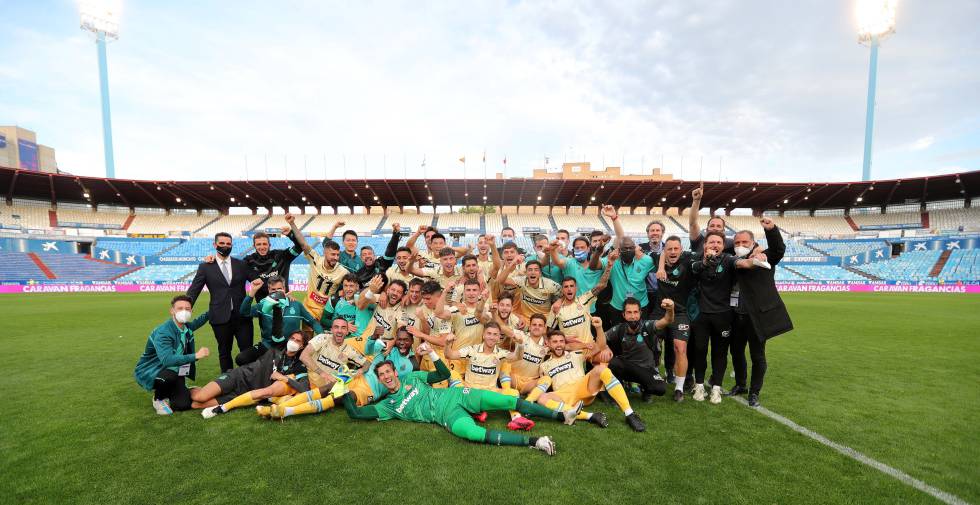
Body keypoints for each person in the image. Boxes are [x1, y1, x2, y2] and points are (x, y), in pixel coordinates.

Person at [342, 351, 578, 456]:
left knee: (507, 399)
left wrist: (433, 355)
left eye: (387, 371)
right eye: (381, 375)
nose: (386, 376)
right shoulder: (387, 405)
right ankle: (536, 442)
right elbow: (356, 414)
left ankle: (562, 416)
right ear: (381, 380)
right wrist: (346, 393)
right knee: (473, 434)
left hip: (458, 395)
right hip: (446, 415)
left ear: (394, 371)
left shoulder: (412, 377)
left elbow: (443, 375)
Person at [262, 326, 420, 419]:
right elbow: (369, 351)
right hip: (358, 377)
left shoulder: (412, 363)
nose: (402, 342)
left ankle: (287, 411)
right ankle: (275, 409)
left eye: (406, 339)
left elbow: (409, 382)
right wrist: (374, 339)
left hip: (369, 390)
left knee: (337, 397)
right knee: (325, 389)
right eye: (399, 339)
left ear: (413, 340)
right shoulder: (388, 348)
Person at [527, 322, 646, 432]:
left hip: (582, 387)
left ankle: (629, 414)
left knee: (601, 369)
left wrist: (598, 328)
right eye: (555, 342)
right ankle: (590, 416)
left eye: (561, 341)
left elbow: (599, 346)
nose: (559, 345)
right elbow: (539, 384)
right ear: (548, 344)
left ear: (565, 343)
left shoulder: (576, 354)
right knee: (542, 398)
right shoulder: (543, 365)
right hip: (563, 395)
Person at [690, 231, 764, 404]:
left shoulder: (728, 260)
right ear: (705, 245)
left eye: (718, 242)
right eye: (711, 242)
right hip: (701, 315)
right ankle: (699, 385)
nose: (715, 245)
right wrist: (706, 260)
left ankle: (716, 388)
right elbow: (695, 269)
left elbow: (743, 263)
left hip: (723, 315)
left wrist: (758, 259)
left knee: (720, 352)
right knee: (700, 350)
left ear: (723, 246)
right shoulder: (697, 260)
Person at [731, 218, 793, 407]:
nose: (740, 246)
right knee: (736, 352)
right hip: (735, 315)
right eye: (737, 243)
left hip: (757, 316)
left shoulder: (765, 256)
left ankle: (754, 392)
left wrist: (771, 230)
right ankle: (740, 385)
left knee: (757, 355)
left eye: (745, 243)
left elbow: (778, 249)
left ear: (754, 243)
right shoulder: (732, 259)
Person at [196, 330, 310, 418]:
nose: (293, 342)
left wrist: (284, 378)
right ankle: (189, 391)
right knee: (200, 397)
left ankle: (184, 396)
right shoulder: (276, 347)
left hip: (246, 392)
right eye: (292, 338)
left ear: (302, 346)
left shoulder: (299, 365)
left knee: (195, 405)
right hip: (239, 377)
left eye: (298, 341)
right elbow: (275, 328)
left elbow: (304, 389)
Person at [187, 232, 258, 372]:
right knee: (224, 352)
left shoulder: (241, 264)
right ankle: (227, 383)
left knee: (247, 351)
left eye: (228, 244)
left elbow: (258, 280)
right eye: (222, 243)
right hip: (219, 316)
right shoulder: (205, 266)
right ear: (215, 245)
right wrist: (184, 307)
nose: (225, 246)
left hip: (242, 316)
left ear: (231, 245)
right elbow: (194, 289)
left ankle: (250, 380)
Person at [445, 322, 533, 431]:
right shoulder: (472, 350)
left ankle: (517, 419)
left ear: (499, 337)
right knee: (452, 374)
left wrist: (520, 344)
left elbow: (517, 357)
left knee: (513, 392)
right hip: (470, 391)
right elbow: (450, 355)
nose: (491, 337)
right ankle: (471, 409)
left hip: (489, 393)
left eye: (495, 334)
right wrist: (448, 344)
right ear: (483, 335)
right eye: (489, 333)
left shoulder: (500, 353)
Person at [134, 295, 211, 414]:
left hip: (176, 371)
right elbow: (167, 360)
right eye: (180, 308)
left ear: (191, 311)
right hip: (154, 370)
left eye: (187, 308)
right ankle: (158, 398)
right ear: (172, 311)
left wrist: (216, 307)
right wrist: (195, 356)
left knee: (182, 405)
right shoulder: (163, 331)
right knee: (169, 376)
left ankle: (182, 390)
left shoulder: (186, 327)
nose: (184, 311)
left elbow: (199, 321)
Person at [236, 276, 323, 366]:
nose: (276, 292)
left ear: (284, 289)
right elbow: (244, 312)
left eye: (279, 289)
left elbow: (312, 322)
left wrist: (323, 337)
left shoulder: (296, 305)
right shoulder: (263, 304)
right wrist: (252, 292)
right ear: (268, 290)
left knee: (307, 364)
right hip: (267, 346)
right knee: (241, 358)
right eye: (273, 289)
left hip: (290, 348)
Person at [654, 236, 698, 401]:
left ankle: (679, 388)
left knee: (680, 348)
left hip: (680, 313)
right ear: (664, 251)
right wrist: (660, 265)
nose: (673, 252)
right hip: (659, 312)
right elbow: (640, 252)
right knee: (652, 345)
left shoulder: (687, 260)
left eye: (676, 249)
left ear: (681, 250)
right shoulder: (656, 258)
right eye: (669, 249)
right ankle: (653, 379)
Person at [604, 297, 673, 402]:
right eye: (629, 312)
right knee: (611, 363)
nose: (633, 316)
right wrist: (605, 347)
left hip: (647, 369)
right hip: (628, 368)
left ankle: (646, 390)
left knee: (660, 389)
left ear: (640, 313)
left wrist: (670, 309)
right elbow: (601, 338)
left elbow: (667, 320)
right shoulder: (620, 329)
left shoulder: (648, 326)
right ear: (624, 315)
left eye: (635, 312)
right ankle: (619, 390)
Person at [287, 216, 351, 322]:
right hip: (309, 310)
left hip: (327, 313)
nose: (335, 258)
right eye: (333, 254)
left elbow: (352, 285)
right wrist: (292, 224)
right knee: (307, 338)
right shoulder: (315, 259)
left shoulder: (343, 272)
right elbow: (303, 244)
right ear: (325, 253)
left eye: (337, 255)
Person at [548, 261, 612, 348]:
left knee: (606, 356)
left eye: (572, 286)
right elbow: (549, 332)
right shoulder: (556, 307)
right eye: (566, 287)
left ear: (576, 288)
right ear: (562, 290)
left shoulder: (584, 299)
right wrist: (563, 338)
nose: (569, 289)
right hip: (571, 350)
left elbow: (602, 285)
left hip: (589, 346)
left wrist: (609, 266)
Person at [242, 214, 304, 299]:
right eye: (258, 244)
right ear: (254, 246)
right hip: (263, 306)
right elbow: (233, 267)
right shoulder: (249, 261)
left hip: (283, 302)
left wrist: (290, 234)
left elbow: (300, 247)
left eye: (264, 244)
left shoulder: (281, 256)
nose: (262, 247)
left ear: (269, 245)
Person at [549, 236, 604, 313]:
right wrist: (552, 249)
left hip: (590, 310)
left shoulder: (596, 264)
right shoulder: (569, 262)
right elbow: (557, 262)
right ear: (573, 249)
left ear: (588, 249)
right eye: (577, 248)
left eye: (582, 247)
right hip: (571, 310)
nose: (579, 250)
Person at [355, 275, 408, 341]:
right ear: (388, 290)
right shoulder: (380, 298)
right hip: (365, 339)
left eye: (399, 292)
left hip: (381, 346)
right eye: (393, 290)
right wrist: (370, 290)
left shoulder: (402, 311)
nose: (395, 293)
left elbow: (402, 331)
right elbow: (360, 305)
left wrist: (393, 342)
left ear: (403, 296)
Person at [688, 182, 735, 254]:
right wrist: (696, 201)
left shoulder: (732, 244)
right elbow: (692, 223)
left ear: (723, 230)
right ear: (707, 229)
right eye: (712, 226)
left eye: (718, 226)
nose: (715, 228)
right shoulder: (699, 241)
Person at [353, 222, 404, 287]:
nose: (367, 256)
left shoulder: (381, 263)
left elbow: (389, 252)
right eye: (364, 254)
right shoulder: (358, 274)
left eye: (370, 253)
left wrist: (395, 234)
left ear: (374, 256)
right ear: (361, 258)